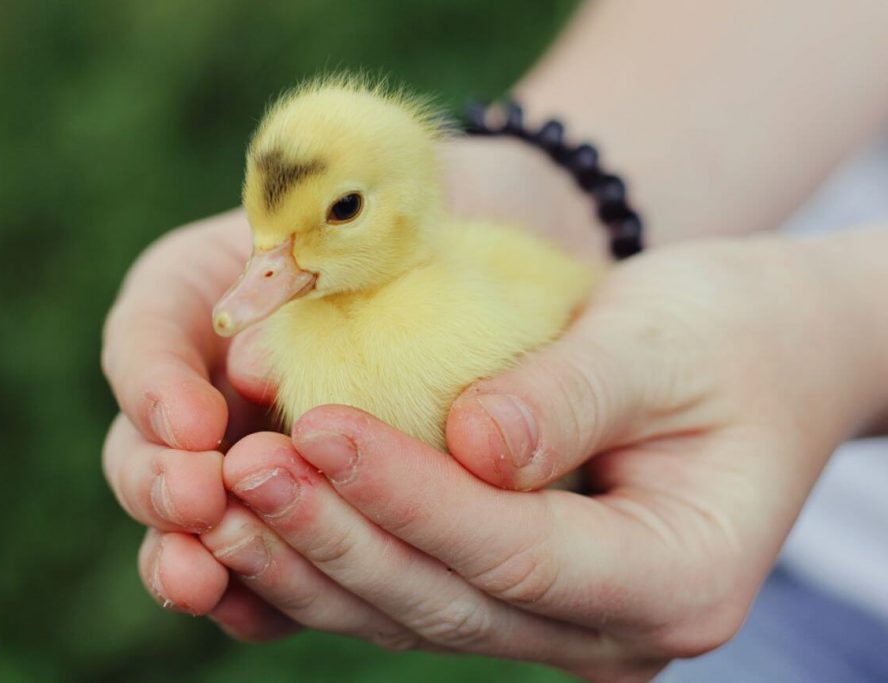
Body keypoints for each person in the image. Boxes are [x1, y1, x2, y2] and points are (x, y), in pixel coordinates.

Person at [99, 1, 888, 680]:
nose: (259, 278)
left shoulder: (462, 307)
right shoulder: (356, 286)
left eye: (338, 214)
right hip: (813, 555)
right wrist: (567, 180)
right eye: (264, 240)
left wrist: (846, 337)